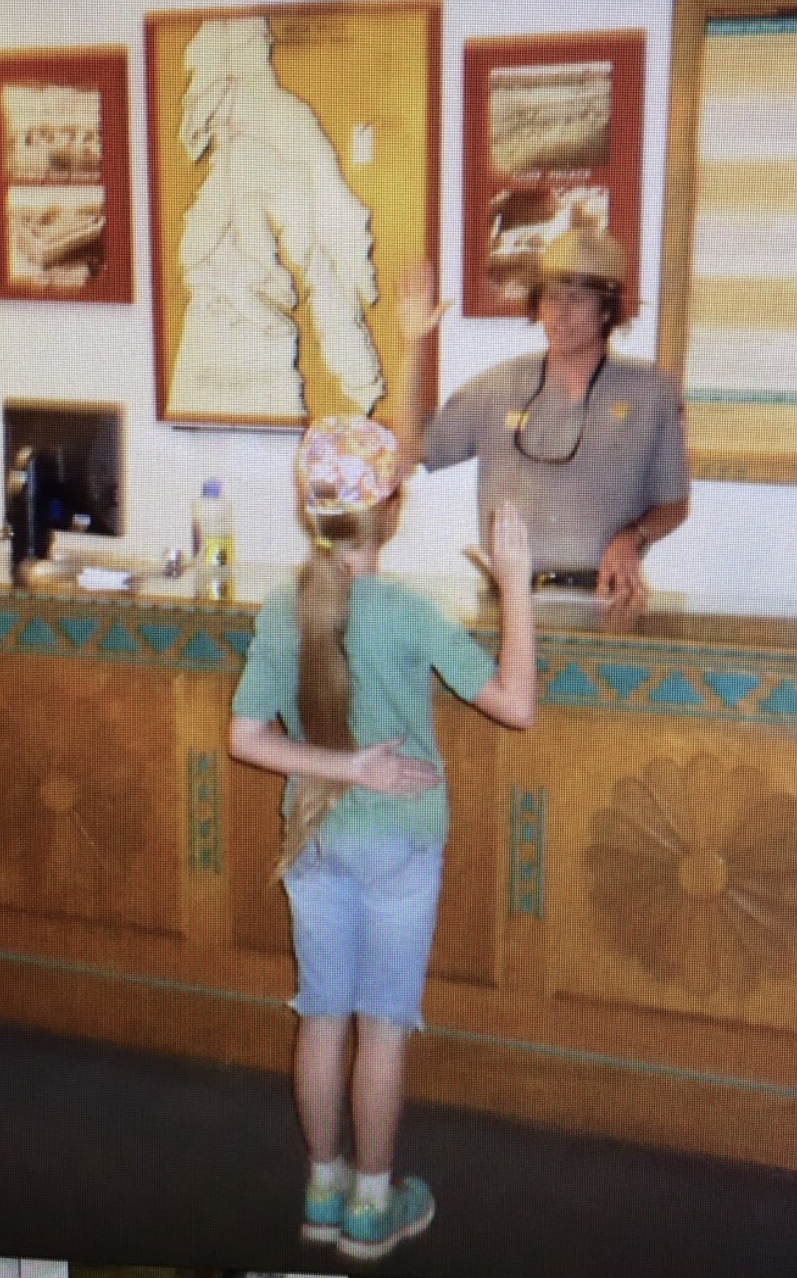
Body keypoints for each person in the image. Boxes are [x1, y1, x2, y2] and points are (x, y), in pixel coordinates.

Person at [229, 414, 535, 1260]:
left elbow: (246, 736)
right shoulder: (408, 612)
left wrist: (341, 767)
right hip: (401, 844)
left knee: (322, 1018)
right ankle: (372, 1202)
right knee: (383, 1026)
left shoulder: (284, 607)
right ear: (390, 510)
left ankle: (322, 1189)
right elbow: (516, 703)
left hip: (315, 841)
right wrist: (515, 582)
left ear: (312, 509)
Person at [397, 223, 690, 608]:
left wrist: (632, 536)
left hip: (607, 601)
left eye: (577, 299)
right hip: (509, 601)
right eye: (550, 298)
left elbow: (674, 504)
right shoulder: (498, 386)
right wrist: (413, 344)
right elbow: (405, 453)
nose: (560, 314)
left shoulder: (652, 392)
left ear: (606, 310)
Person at [170, 16, 385, 420]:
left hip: (258, 353)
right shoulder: (227, 160)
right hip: (204, 346)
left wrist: (360, 380)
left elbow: (321, 259)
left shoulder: (279, 133)